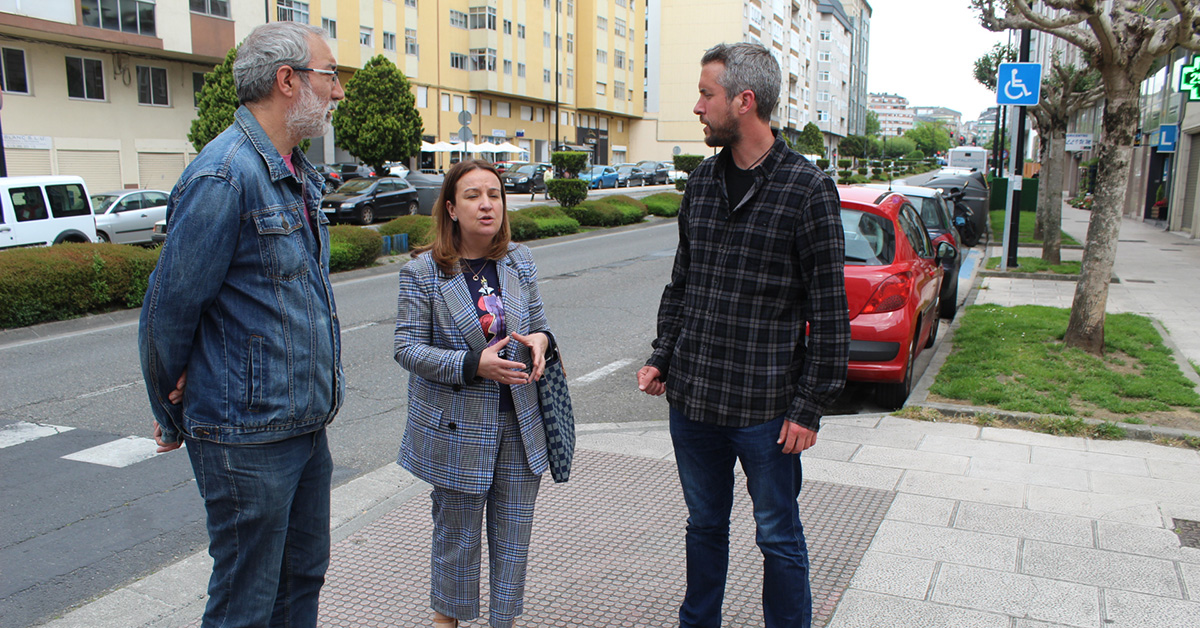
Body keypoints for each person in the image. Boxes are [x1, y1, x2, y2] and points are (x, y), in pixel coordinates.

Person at [636, 42, 851, 628]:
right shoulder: (702, 185)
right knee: (703, 526)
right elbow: (683, 284)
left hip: (767, 411)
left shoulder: (808, 191)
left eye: (708, 94)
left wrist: (809, 408)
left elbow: (831, 313)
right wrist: (663, 356)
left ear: (744, 101)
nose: (699, 107)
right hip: (696, 403)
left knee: (777, 536)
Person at [138, 21, 345, 628]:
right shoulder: (224, 174)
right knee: (245, 602)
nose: (337, 92)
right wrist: (172, 405)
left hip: (305, 425)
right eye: (329, 75)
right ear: (288, 80)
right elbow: (169, 310)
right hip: (246, 436)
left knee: (301, 580)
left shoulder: (296, 173)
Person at [393, 159, 556, 628]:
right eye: (473, 196)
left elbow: (540, 325)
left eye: (495, 195)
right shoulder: (423, 272)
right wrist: (472, 363)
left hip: (521, 424)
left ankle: (502, 622)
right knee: (456, 543)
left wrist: (541, 342)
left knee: (513, 541)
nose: (487, 205)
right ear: (450, 207)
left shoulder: (519, 261)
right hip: (456, 430)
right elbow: (406, 348)